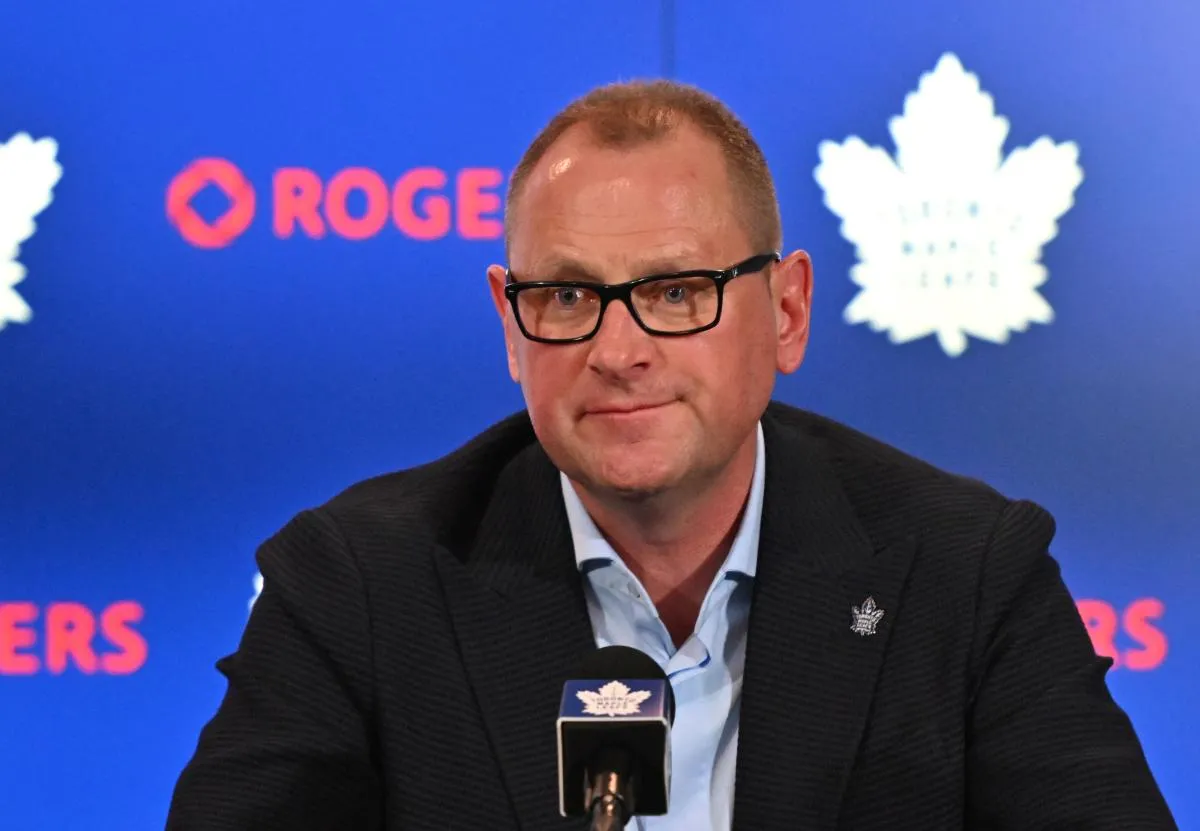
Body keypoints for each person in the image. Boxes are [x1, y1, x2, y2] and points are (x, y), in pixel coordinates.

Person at [165, 79, 1176, 830]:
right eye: (565, 296)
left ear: (785, 312)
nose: (617, 350)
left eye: (676, 291)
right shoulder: (358, 584)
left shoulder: (964, 573)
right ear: (511, 327)